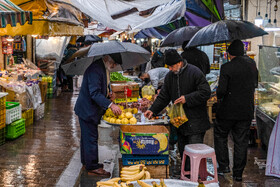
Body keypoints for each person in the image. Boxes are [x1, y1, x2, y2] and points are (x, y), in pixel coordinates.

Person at [144, 49, 211, 170]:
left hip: (196, 122)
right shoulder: (170, 76)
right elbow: (164, 96)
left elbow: (205, 92)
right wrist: (152, 110)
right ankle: (186, 176)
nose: (170, 69)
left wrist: (187, 98)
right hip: (180, 123)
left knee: (194, 153)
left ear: (179, 63)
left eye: (172, 66)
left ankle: (196, 178)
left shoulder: (195, 72)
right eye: (168, 66)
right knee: (184, 152)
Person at [214, 39, 258, 182]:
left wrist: (217, 93)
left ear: (229, 53)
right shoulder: (252, 65)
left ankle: (224, 166)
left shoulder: (226, 67)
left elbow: (221, 92)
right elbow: (255, 84)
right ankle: (238, 174)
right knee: (241, 141)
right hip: (245, 111)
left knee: (221, 136)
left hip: (227, 111)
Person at [74, 53, 123, 176]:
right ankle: (92, 166)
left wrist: (109, 94)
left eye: (115, 64)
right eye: (113, 63)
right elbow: (94, 93)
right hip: (87, 109)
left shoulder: (103, 68)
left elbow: (103, 87)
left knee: (87, 137)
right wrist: (110, 105)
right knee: (91, 137)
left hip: (89, 109)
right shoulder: (96, 69)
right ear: (106, 58)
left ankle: (87, 162)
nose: (113, 66)